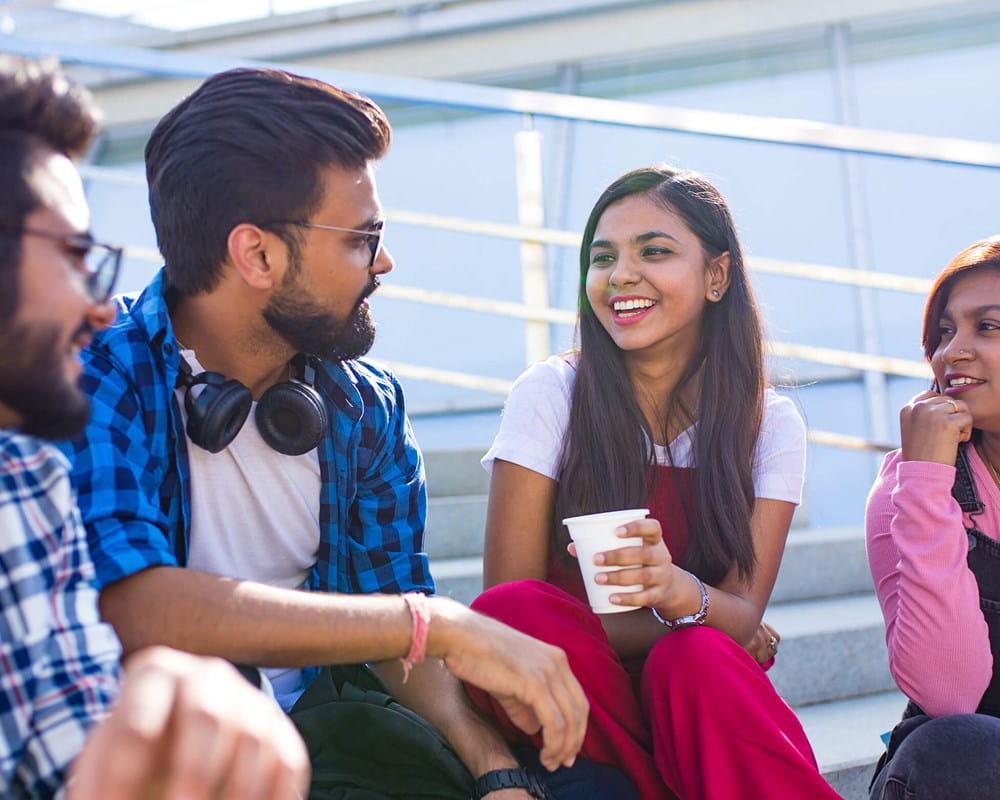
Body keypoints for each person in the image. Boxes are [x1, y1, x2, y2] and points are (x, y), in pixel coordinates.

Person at [60, 65, 590, 799]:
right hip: (152, 757)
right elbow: (137, 603)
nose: (385, 261)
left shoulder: (365, 406)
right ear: (258, 255)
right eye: (361, 238)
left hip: (322, 747)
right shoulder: (96, 371)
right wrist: (433, 622)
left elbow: (397, 638)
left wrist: (493, 769)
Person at [468, 165, 842, 800]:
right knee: (513, 614)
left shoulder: (769, 424)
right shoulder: (551, 393)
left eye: (655, 252)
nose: (620, 276)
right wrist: (708, 618)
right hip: (573, 685)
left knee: (693, 663)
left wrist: (674, 592)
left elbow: (744, 612)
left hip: (701, 693)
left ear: (717, 276)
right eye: (602, 257)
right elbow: (510, 613)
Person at [0, 54, 308, 799]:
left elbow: (68, 757)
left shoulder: (29, 478)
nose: (101, 307)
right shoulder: (115, 381)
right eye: (77, 256)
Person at [867, 236, 1000, 799]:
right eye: (944, 332)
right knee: (954, 748)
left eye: (987, 327)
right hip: (967, 766)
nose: (952, 352)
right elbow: (949, 694)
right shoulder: (909, 484)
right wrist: (925, 481)